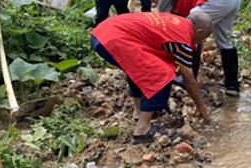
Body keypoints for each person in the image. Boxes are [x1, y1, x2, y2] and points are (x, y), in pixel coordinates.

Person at [91, 11, 212, 143]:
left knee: (140, 68)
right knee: (161, 74)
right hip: (113, 40)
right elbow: (189, 80)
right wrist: (201, 106)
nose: (202, 41)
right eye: (204, 38)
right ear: (200, 31)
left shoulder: (177, 21)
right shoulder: (182, 39)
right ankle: (142, 130)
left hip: (102, 32)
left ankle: (138, 112)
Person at [150, 0, 241, 97]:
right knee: (223, 40)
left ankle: (189, 79)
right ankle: (232, 85)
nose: (155, 4)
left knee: (191, 31)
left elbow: (165, 22)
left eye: (153, 0)